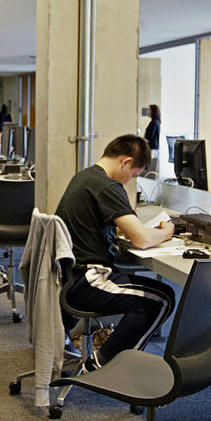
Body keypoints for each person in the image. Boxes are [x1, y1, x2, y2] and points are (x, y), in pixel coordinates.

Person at [55, 135, 177, 367]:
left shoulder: (86, 177)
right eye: (134, 174)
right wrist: (167, 232)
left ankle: (107, 356)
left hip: (72, 277)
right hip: (88, 281)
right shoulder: (107, 186)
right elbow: (141, 239)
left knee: (162, 294)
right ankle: (105, 363)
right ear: (125, 161)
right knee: (161, 300)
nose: (131, 181)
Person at [143, 104, 162, 169]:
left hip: (152, 148)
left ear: (153, 111)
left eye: (149, 110)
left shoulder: (153, 123)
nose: (147, 112)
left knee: (150, 168)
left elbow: (148, 138)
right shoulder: (156, 122)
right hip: (154, 148)